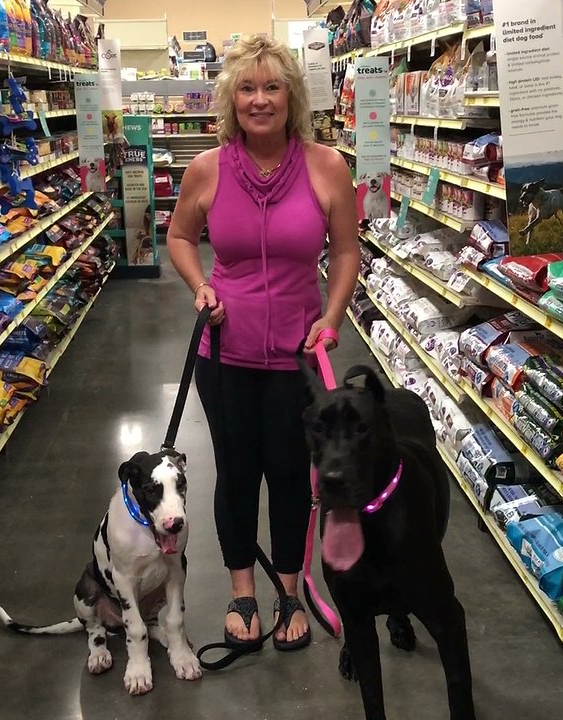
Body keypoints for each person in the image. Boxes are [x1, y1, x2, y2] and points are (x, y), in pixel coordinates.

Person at [166, 33, 359, 652]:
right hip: (224, 356)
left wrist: (330, 318)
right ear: (231, 99)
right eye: (246, 88)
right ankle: (243, 591)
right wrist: (201, 286)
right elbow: (177, 237)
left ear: (291, 97)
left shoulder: (328, 166)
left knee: (290, 474)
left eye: (272, 86)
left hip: (299, 358)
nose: (259, 99)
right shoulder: (208, 168)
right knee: (237, 473)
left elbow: (348, 252)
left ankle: (289, 591)